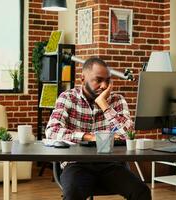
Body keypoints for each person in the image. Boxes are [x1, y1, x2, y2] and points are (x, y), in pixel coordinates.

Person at [45, 57, 151, 200]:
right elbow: (52, 131)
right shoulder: (68, 97)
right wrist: (89, 137)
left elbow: (128, 134)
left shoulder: (117, 100)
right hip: (77, 164)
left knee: (141, 191)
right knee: (72, 195)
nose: (104, 85)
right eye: (98, 80)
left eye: (107, 80)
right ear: (82, 79)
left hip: (111, 165)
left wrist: (103, 104)